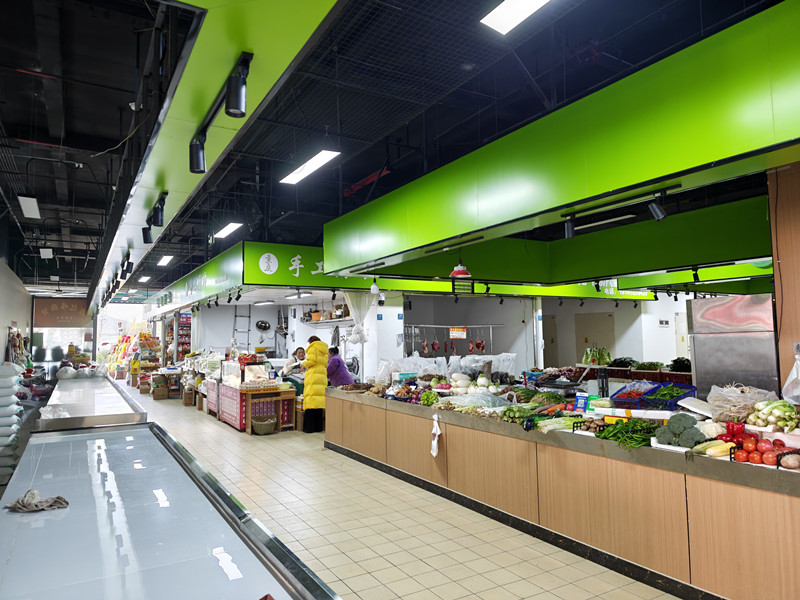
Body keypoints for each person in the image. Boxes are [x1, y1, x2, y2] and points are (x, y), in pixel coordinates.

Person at [301, 336, 328, 433]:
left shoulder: (312, 348)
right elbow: (325, 364)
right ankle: (318, 427)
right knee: (319, 402)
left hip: (313, 376)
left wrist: (302, 364)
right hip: (322, 376)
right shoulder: (324, 351)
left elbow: (311, 361)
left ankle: (309, 428)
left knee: (311, 401)